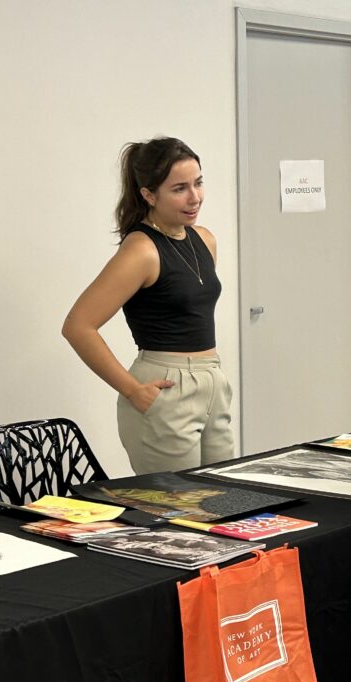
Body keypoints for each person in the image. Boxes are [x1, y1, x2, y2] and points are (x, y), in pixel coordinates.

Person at [63, 137, 234, 474]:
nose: (194, 197)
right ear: (149, 195)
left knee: (224, 500)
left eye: (198, 183)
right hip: (166, 384)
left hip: (211, 381)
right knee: (178, 510)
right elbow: (78, 326)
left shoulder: (204, 239)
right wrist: (132, 389)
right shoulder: (141, 250)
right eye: (179, 188)